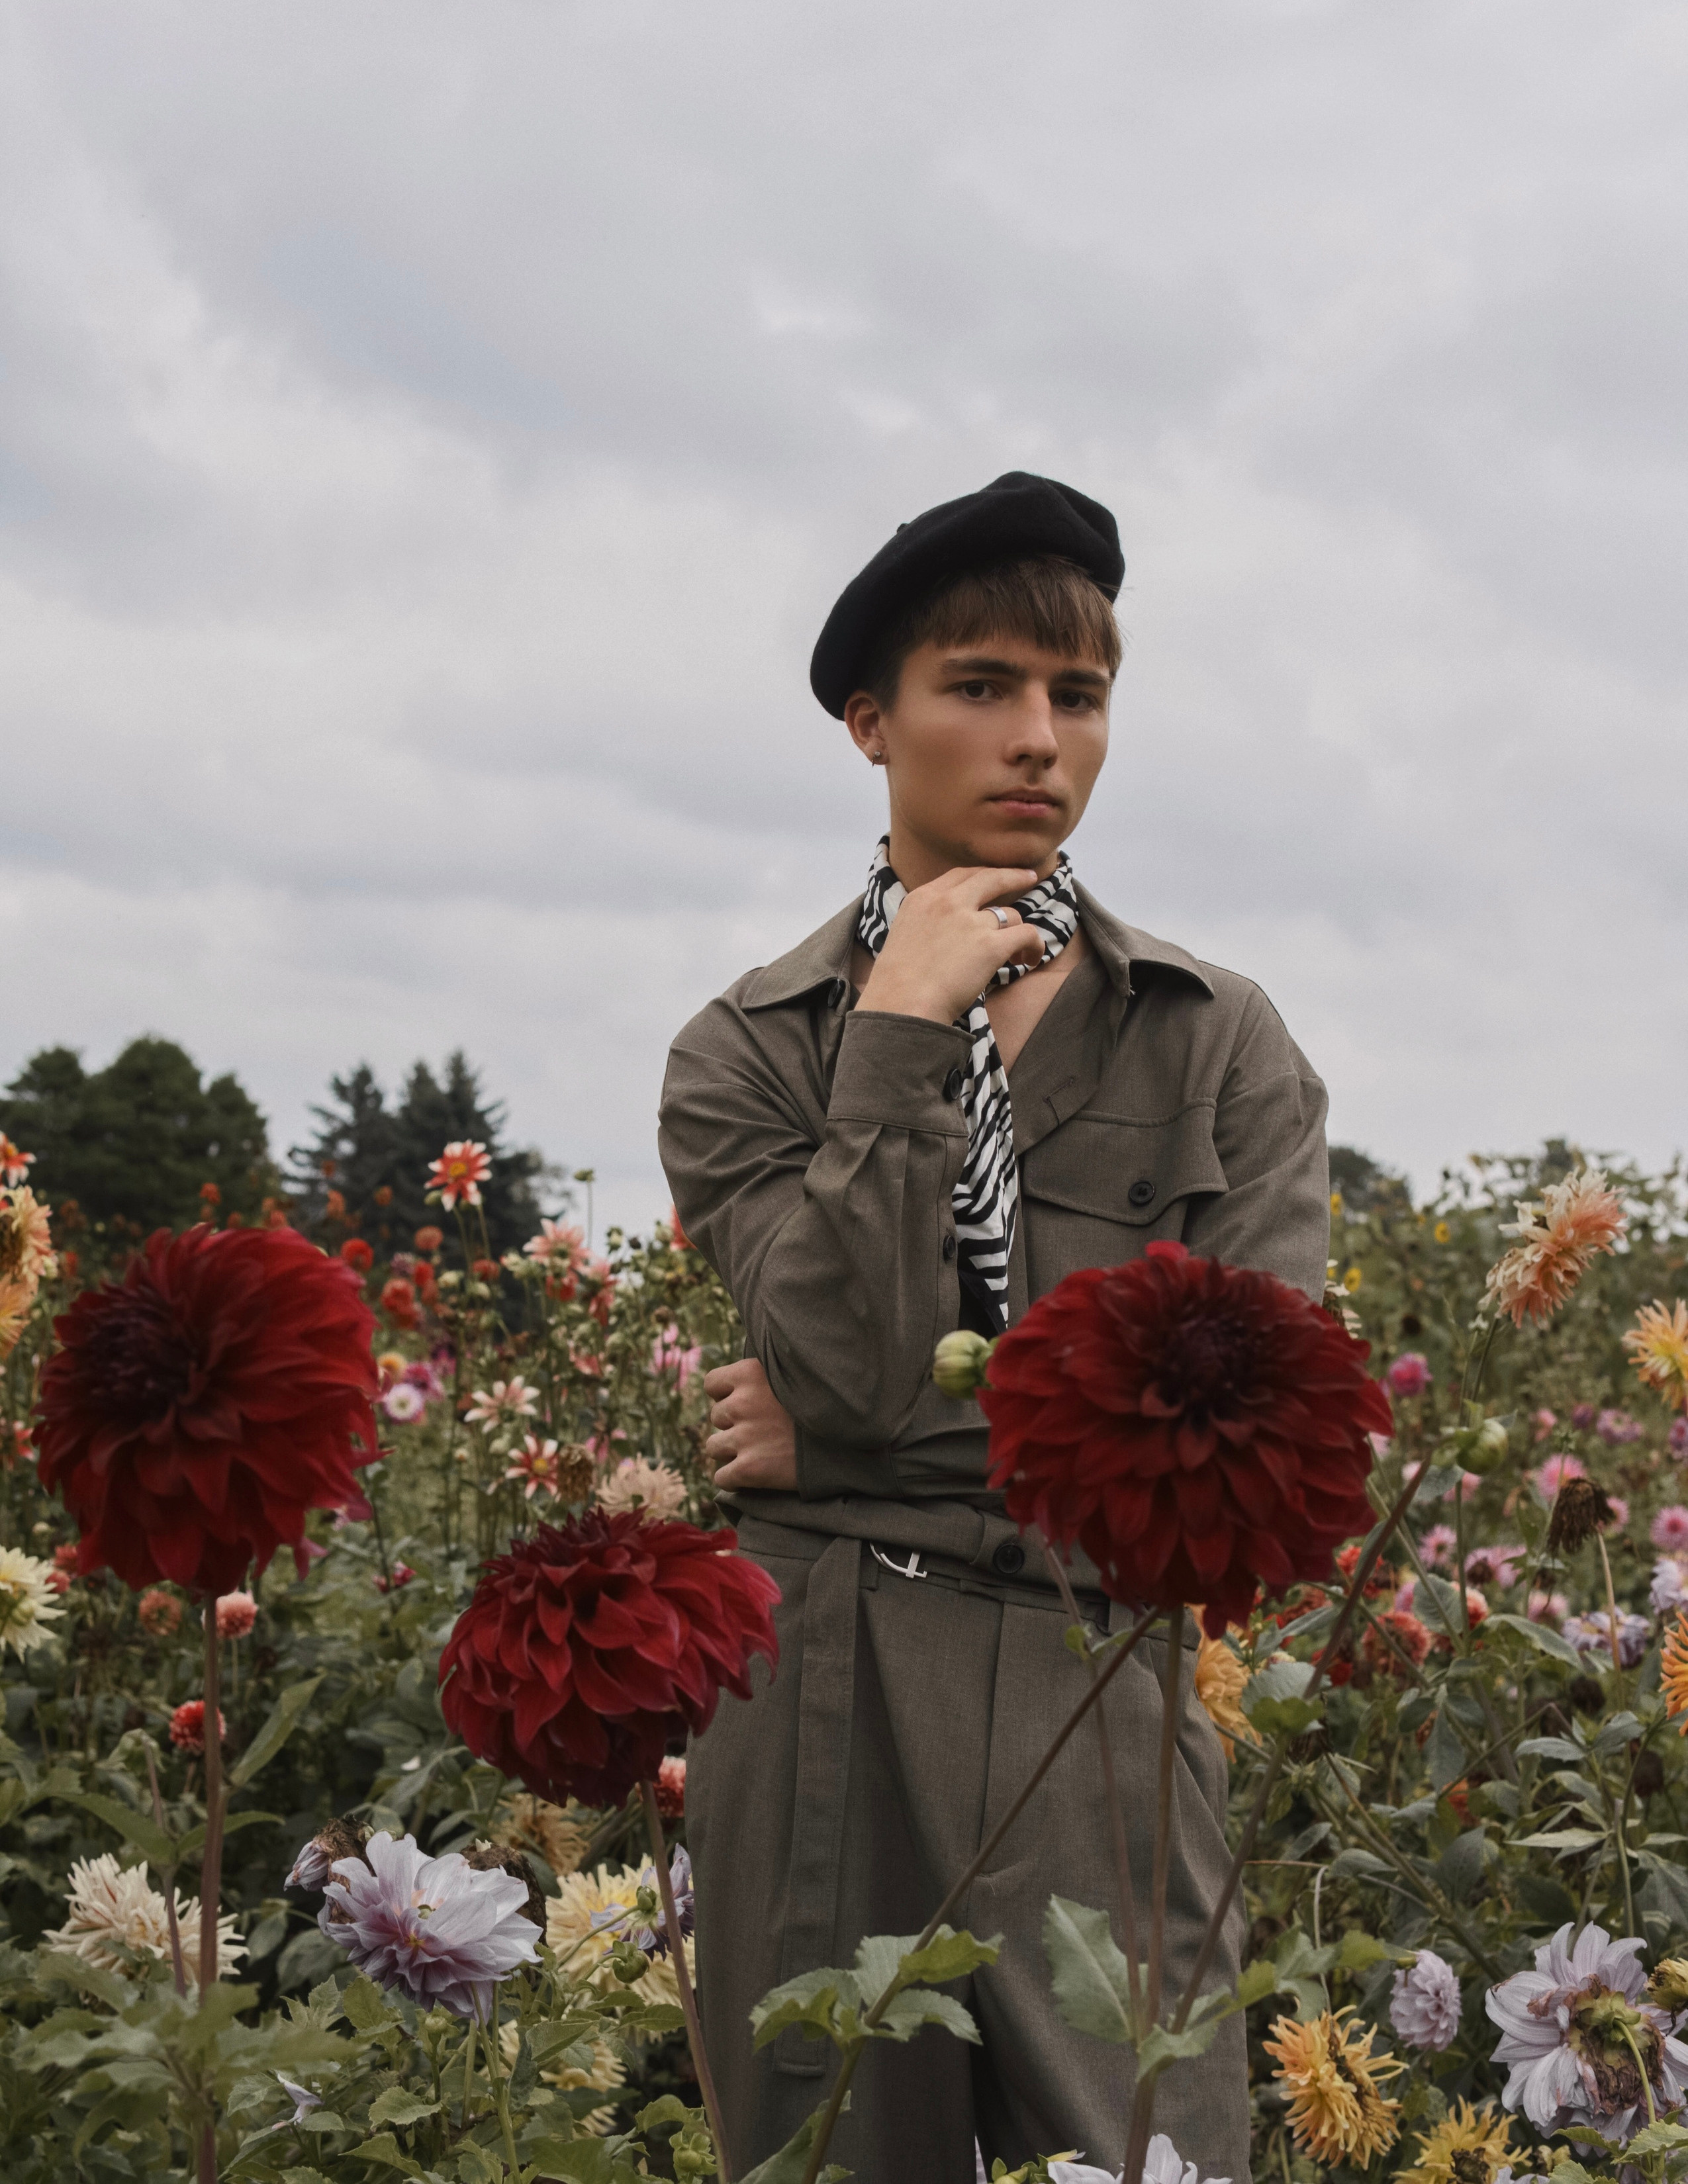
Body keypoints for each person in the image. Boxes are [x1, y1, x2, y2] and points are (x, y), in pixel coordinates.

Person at [657, 472, 1329, 2183]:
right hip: (817, 1707)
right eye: (981, 687)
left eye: (1078, 694)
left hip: (1089, 1696)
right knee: (823, 2155)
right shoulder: (750, 1049)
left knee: (1155, 2153)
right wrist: (896, 1027)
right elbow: (844, 1353)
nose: (1039, 738)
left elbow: (1256, 1454)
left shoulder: (1214, 1041)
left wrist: (850, 1450)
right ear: (871, 722)